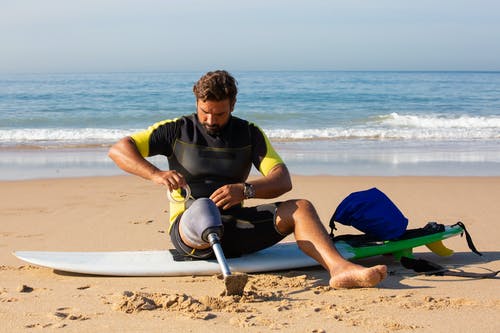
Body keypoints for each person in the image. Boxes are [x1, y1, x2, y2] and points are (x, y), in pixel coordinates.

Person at [108, 70, 387, 288]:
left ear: (233, 105)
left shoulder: (249, 133)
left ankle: (340, 270)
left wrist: (247, 190)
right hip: (190, 234)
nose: (210, 119)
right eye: (205, 111)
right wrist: (156, 174)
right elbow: (119, 149)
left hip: (237, 230)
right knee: (204, 206)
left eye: (220, 113)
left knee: (301, 207)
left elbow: (282, 178)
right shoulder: (176, 130)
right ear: (196, 102)